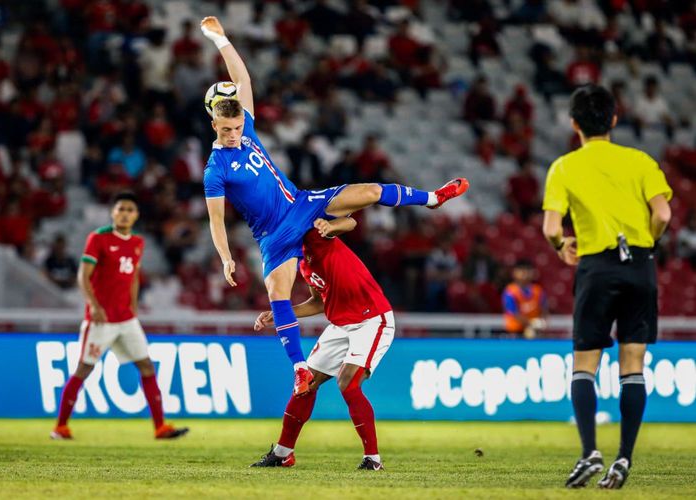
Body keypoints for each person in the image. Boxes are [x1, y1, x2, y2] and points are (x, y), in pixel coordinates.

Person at [200, 16, 468, 396]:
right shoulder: (215, 170)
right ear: (214, 126)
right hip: (273, 232)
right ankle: (299, 368)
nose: (234, 134)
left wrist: (220, 38)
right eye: (227, 130)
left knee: (369, 191)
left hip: (301, 204)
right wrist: (226, 257)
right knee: (278, 292)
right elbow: (215, 220)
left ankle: (433, 198)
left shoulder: (248, 129)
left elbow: (242, 81)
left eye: (239, 127)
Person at [542, 84, 672, 489]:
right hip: (640, 265)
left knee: (585, 363)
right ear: (614, 119)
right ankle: (624, 459)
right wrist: (648, 242)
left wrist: (562, 245)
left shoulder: (564, 167)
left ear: (574, 124)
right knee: (633, 365)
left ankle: (589, 454)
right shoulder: (641, 161)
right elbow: (664, 213)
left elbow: (550, 227)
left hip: (596, 266)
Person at [251, 217, 394, 471]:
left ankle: (373, 459)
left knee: (348, 383)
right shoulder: (304, 264)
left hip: (371, 319)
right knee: (304, 383)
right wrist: (280, 314)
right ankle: (283, 453)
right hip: (340, 324)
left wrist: (330, 227)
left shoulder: (317, 237)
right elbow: (317, 303)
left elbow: (350, 223)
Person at [51, 192, 188, 441]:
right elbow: (83, 276)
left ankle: (160, 427)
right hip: (101, 319)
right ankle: (60, 427)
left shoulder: (137, 242)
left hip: (126, 318)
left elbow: (133, 276)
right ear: (113, 212)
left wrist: (133, 306)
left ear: (136, 216)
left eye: (130, 210)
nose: (125, 213)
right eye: (121, 209)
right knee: (84, 369)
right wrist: (93, 305)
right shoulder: (98, 238)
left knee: (146, 366)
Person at [502, 259, 548, 339]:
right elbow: (514, 313)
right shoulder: (510, 292)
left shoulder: (538, 291)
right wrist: (532, 323)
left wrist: (542, 322)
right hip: (514, 334)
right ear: (514, 273)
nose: (525, 274)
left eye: (528, 270)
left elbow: (544, 310)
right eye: (522, 271)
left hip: (535, 333)